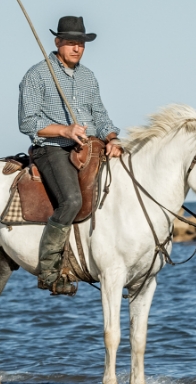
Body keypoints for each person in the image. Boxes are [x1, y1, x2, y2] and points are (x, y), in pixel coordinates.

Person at [17, 16, 123, 296]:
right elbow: (27, 122)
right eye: (71, 43)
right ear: (57, 43)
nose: (77, 48)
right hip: (50, 149)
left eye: (81, 44)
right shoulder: (37, 75)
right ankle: (49, 271)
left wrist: (112, 138)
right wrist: (64, 130)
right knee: (72, 200)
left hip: (90, 148)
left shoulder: (88, 77)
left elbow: (100, 115)